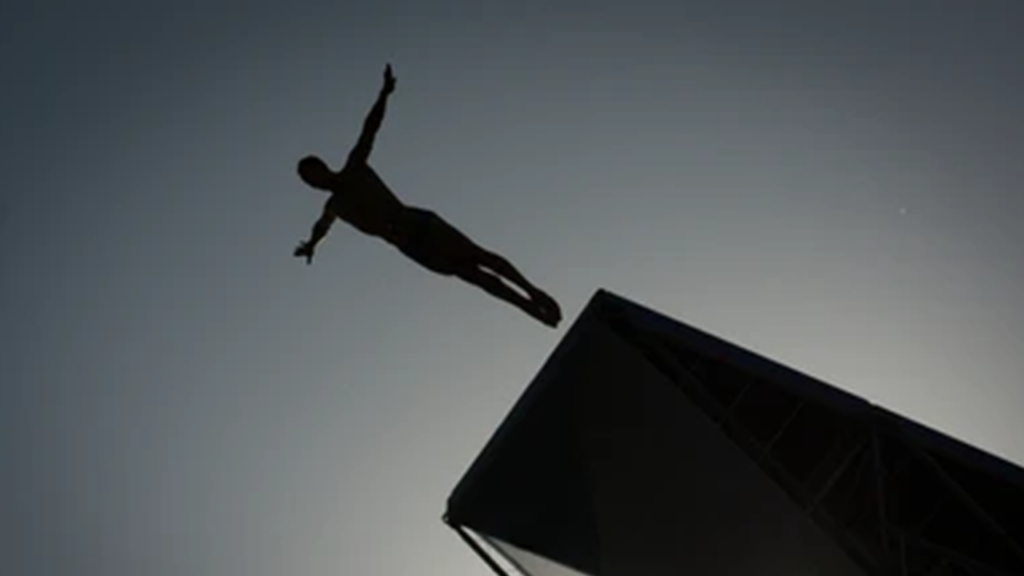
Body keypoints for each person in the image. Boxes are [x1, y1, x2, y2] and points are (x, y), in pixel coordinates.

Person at [294, 64, 562, 328]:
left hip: (419, 223)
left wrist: (384, 94)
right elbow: (321, 226)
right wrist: (312, 245)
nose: (311, 183)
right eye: (307, 182)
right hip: (410, 246)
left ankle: (532, 291)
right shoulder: (335, 206)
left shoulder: (354, 168)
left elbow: (369, 130)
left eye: (311, 175)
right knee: (472, 275)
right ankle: (528, 307)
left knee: (479, 256)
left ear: (322, 167)